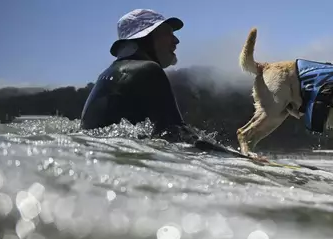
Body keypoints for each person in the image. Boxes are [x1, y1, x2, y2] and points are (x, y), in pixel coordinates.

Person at [80, 9, 244, 156]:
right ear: (145, 38)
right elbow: (178, 133)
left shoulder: (105, 74)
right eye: (167, 32)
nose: (176, 41)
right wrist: (240, 159)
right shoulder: (147, 69)